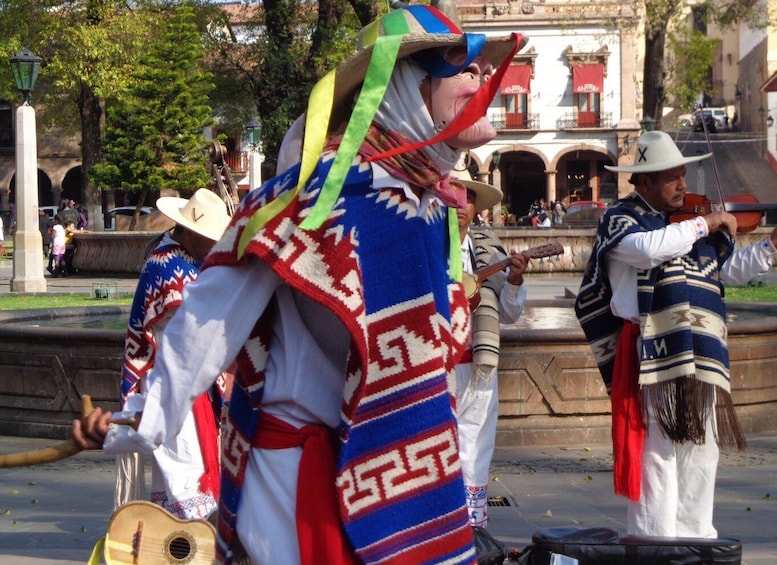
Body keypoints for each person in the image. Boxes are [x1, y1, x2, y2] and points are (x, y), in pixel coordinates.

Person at [72, 5, 526, 564]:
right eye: (463, 65)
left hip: (399, 485)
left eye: (483, 68)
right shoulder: (314, 201)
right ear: (407, 84)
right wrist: (138, 421)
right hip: (298, 496)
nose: (481, 80)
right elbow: (208, 324)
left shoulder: (429, 209)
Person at [574, 130, 777, 539]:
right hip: (653, 351)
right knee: (659, 450)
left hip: (698, 349)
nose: (684, 185)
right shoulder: (622, 219)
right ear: (644, 182)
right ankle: (654, 541)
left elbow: (727, 271)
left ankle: (696, 538)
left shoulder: (689, 226)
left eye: (684, 175)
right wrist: (705, 223)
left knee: (702, 447)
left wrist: (770, 248)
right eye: (672, 178)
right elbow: (650, 250)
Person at [116, 188, 231, 521]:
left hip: (180, 379)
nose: (213, 245)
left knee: (179, 469)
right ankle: (190, 541)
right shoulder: (168, 266)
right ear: (192, 232)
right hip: (171, 380)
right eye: (210, 238)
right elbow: (188, 330)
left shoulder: (179, 255)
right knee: (185, 469)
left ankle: (176, 542)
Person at [452, 165, 527, 528]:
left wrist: (513, 280)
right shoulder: (419, 244)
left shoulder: (489, 251)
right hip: (434, 367)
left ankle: (473, 534)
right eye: (453, 194)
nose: (460, 203)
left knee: (476, 449)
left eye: (468, 197)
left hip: (480, 365)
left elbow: (510, 314)